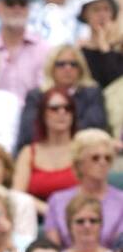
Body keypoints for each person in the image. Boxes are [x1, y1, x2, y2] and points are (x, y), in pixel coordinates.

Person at [44, 130, 123, 249]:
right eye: (95, 158)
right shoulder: (57, 201)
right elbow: (52, 249)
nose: (103, 162)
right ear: (79, 163)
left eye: (107, 158)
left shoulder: (121, 200)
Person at [13, 87, 78, 217]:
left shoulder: (83, 149)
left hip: (79, 219)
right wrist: (48, 210)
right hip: (37, 220)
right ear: (43, 114)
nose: (62, 112)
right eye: (54, 108)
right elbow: (17, 194)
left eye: (68, 108)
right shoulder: (28, 152)